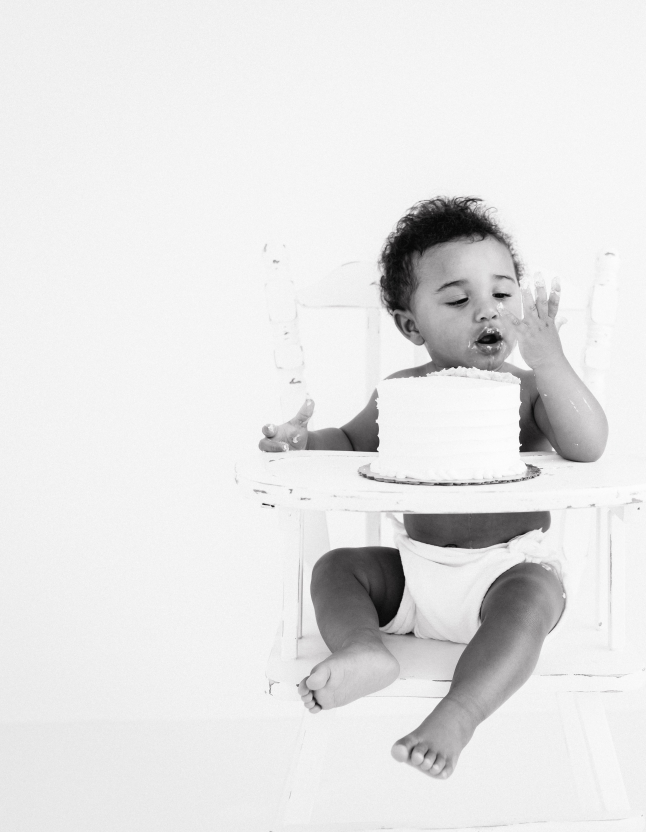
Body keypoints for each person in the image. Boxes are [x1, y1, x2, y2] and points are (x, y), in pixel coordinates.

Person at [257, 197, 608, 779]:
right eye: (457, 298)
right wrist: (301, 442)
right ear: (411, 324)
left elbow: (588, 444)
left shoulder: (525, 393)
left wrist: (550, 362)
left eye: (502, 293)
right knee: (335, 568)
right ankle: (365, 649)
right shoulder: (402, 393)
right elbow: (347, 443)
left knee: (533, 599)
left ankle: (460, 712)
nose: (486, 311)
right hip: (417, 573)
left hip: (505, 572)